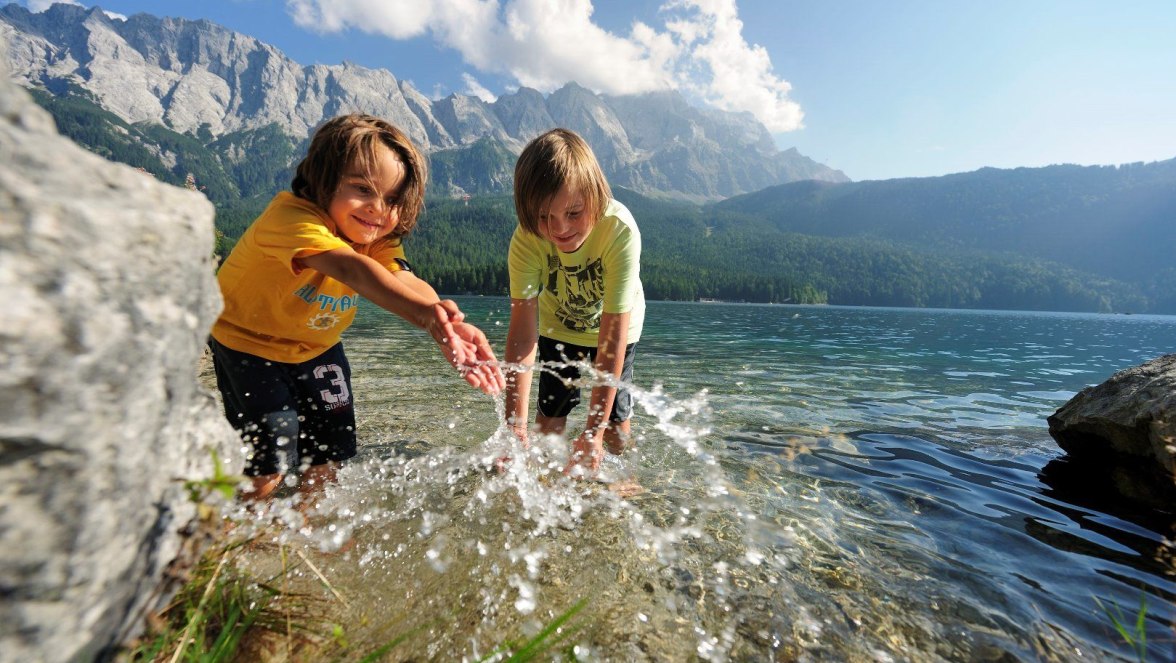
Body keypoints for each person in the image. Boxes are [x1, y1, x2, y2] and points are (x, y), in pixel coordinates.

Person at [209, 113, 504, 503]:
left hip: (317, 347)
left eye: (393, 199)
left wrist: (445, 318)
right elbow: (353, 270)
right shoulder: (291, 218)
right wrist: (426, 320)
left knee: (331, 455)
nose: (378, 210)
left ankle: (309, 530)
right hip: (247, 346)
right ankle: (236, 538)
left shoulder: (374, 237)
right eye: (362, 189)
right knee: (270, 463)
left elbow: (398, 277)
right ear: (323, 178)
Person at [503, 128, 645, 476]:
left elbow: (612, 337)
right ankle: (548, 482)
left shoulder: (618, 230)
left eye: (573, 213)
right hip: (558, 327)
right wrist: (513, 429)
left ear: (595, 198)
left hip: (617, 331)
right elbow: (522, 337)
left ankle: (622, 477)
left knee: (614, 428)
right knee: (546, 428)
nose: (559, 229)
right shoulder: (526, 240)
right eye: (544, 217)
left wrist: (592, 433)